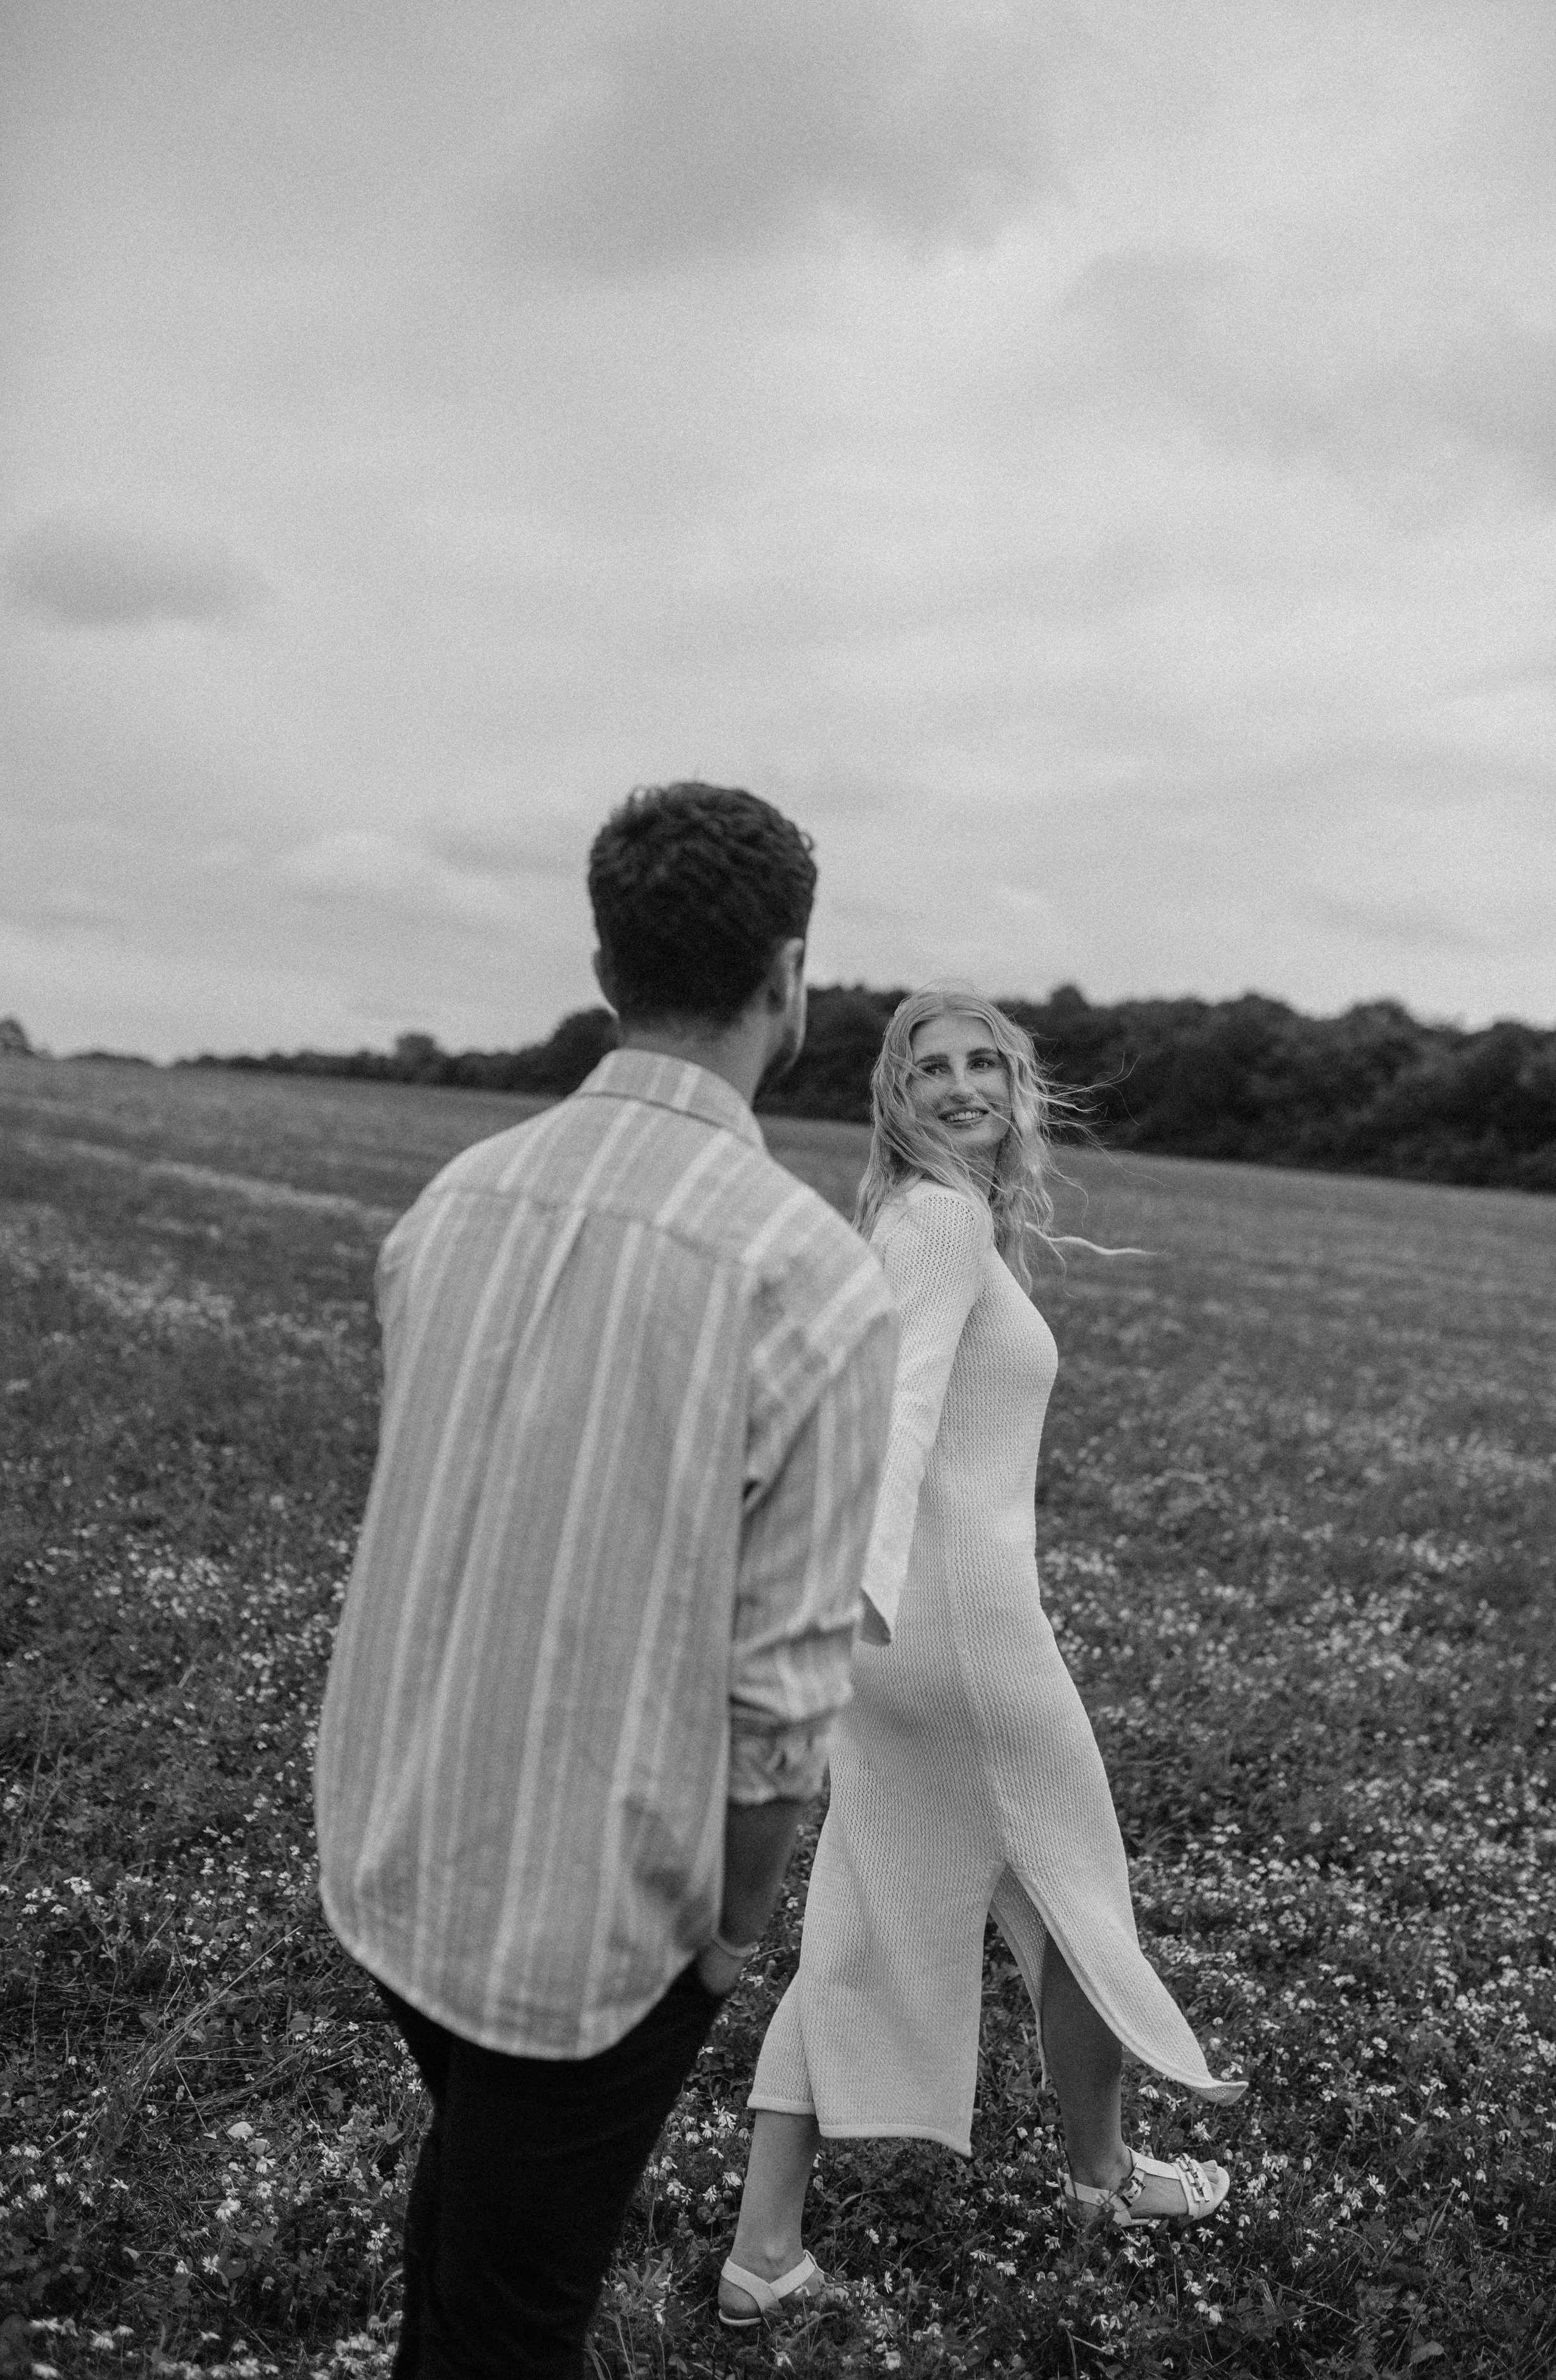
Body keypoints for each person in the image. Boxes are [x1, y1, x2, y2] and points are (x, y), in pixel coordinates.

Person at [315, 782, 900, 2379]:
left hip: (393, 1845)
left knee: (481, 2230)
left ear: (602, 962)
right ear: (790, 973)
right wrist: (728, 1933)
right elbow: (780, 1703)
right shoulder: (814, 1281)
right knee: (510, 2324)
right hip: (596, 1925)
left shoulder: (452, 1203)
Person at [718, 986, 1245, 2330]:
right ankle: (1104, 2175)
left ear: (1016, 1089)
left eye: (982, 1065)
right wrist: (864, 1588)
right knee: (1076, 1892)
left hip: (904, 1630)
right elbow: (892, 1412)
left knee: (862, 1916)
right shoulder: (940, 1222)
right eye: (929, 1067)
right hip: (947, 1631)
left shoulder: (915, 1219)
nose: (959, 1085)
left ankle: (763, 2252)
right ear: (894, 1095)